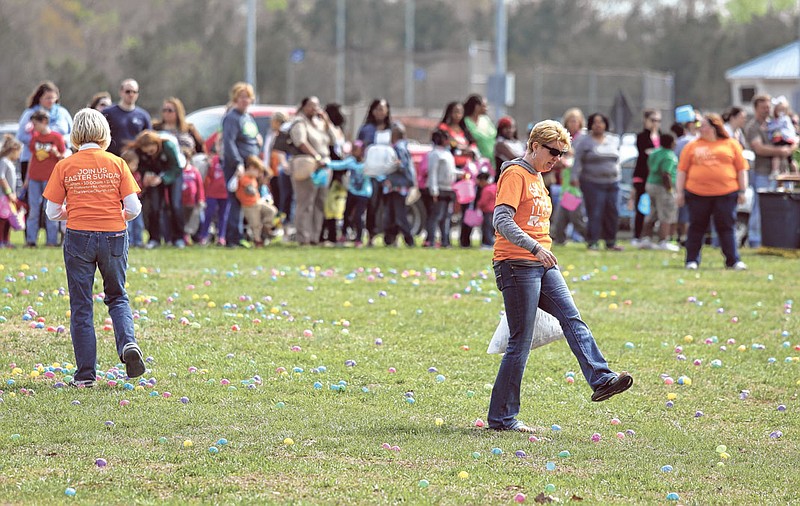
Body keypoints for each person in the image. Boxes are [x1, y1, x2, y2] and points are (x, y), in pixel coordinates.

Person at [487, 119, 633, 432]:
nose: (557, 158)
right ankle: (501, 418)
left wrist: (543, 251)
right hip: (516, 264)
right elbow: (501, 220)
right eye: (552, 151)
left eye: (562, 153)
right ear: (534, 145)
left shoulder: (539, 177)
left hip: (542, 264)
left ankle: (601, 378)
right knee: (520, 343)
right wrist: (534, 248)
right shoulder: (515, 173)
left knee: (572, 318)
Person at [42, 108, 146, 387]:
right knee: (117, 296)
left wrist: (72, 211)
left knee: (81, 305)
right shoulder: (117, 163)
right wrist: (118, 215)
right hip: (114, 234)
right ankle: (127, 345)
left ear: (75, 134)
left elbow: (52, 212)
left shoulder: (65, 165)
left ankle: (86, 375)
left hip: (79, 236)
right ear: (105, 133)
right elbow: (134, 208)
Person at [676, 113, 749, 270]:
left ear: (714, 127)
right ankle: (692, 260)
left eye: (704, 126)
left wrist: (742, 191)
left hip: (726, 193)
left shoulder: (731, 144)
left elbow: (741, 169)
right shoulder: (692, 146)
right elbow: (682, 171)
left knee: (726, 227)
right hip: (697, 193)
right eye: (699, 126)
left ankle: (733, 260)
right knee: (697, 227)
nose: (700, 129)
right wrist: (679, 192)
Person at [744, 95, 794, 248]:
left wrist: (788, 149)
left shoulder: (775, 123)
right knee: (759, 207)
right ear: (756, 108)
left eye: (768, 107)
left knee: (785, 206)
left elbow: (792, 139)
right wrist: (781, 150)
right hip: (763, 172)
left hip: (783, 171)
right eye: (763, 108)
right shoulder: (753, 127)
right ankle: (755, 240)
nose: (767, 111)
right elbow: (759, 148)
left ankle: (781, 239)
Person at [571, 113, 623, 251]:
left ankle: (611, 241)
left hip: (613, 182)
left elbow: (617, 159)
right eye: (595, 122)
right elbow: (577, 160)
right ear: (590, 125)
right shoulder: (585, 141)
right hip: (592, 182)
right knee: (595, 212)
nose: (598, 125)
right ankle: (592, 241)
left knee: (613, 211)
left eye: (601, 122)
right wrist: (574, 177)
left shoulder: (613, 140)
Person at [289, 96, 336, 246]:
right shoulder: (299, 122)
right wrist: (315, 156)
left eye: (316, 106)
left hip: (324, 166)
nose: (314, 109)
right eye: (310, 105)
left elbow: (335, 140)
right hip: (308, 165)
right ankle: (303, 237)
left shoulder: (321, 123)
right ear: (303, 106)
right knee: (306, 201)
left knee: (320, 201)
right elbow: (300, 141)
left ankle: (315, 236)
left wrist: (327, 121)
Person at [129, 130, 185, 248]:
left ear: (157, 145)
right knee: (154, 207)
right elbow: (141, 166)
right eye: (146, 152)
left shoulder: (168, 146)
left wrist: (163, 178)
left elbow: (176, 167)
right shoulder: (139, 151)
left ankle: (179, 238)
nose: (149, 154)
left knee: (175, 205)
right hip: (153, 176)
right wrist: (146, 175)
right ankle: (154, 238)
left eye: (151, 151)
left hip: (173, 174)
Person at [221, 82, 261, 248]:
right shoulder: (232, 117)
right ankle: (232, 237)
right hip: (237, 165)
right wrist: (238, 163)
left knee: (246, 200)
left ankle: (240, 235)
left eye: (248, 97)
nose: (245, 100)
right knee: (235, 201)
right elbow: (229, 142)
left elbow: (253, 137)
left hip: (250, 165)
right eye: (241, 97)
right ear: (236, 99)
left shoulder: (248, 117)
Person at [25, 109, 67, 247]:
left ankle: (51, 240)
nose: (34, 127)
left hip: (50, 179)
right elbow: (32, 157)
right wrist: (27, 178)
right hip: (34, 178)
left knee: (50, 209)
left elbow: (63, 158)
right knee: (33, 210)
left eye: (36, 123)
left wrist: (57, 153)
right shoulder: (35, 138)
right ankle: (31, 240)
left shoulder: (56, 137)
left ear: (44, 122)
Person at [16, 80, 73, 182]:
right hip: (33, 161)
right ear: (39, 98)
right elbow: (21, 135)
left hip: (57, 160)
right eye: (47, 98)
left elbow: (72, 134)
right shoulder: (30, 114)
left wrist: (61, 140)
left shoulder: (63, 113)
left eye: (53, 98)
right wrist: (42, 142)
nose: (50, 101)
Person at [357, 98, 393, 246]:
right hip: (371, 172)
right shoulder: (366, 129)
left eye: (383, 109)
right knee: (372, 204)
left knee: (388, 205)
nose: (380, 112)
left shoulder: (392, 129)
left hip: (388, 172)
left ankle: (389, 236)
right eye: (377, 109)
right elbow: (359, 148)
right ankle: (371, 234)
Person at [551, 108, 587, 246]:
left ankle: (591, 237)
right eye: (570, 121)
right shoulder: (562, 138)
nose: (573, 124)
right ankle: (559, 239)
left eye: (575, 121)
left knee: (574, 216)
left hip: (574, 185)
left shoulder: (582, 138)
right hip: (565, 183)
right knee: (561, 216)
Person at [640, 133, 679, 251]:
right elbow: (666, 174)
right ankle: (663, 241)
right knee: (666, 214)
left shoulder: (655, 152)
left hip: (650, 183)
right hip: (662, 187)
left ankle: (646, 239)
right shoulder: (669, 156)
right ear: (671, 143)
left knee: (652, 213)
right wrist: (670, 189)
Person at [229, 155, 277, 247]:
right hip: (249, 205)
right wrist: (251, 189)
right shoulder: (244, 178)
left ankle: (266, 228)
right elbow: (249, 190)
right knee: (256, 224)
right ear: (251, 168)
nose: (259, 174)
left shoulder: (253, 178)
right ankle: (257, 240)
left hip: (257, 202)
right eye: (258, 171)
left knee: (271, 211)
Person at [328, 141, 370, 246]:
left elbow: (378, 173)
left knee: (358, 216)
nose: (355, 151)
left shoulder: (367, 164)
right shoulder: (350, 161)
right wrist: (327, 163)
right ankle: (343, 235)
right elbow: (339, 165)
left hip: (363, 193)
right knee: (346, 214)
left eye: (357, 149)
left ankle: (359, 239)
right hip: (352, 191)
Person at [382, 122, 416, 247]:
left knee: (399, 214)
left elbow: (403, 165)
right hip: (393, 186)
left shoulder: (399, 148)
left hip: (398, 186)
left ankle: (409, 239)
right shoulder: (399, 146)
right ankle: (390, 239)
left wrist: (394, 164)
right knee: (391, 213)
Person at [631, 109, 662, 247]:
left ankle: (649, 236)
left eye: (658, 121)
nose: (655, 123)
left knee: (655, 208)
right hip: (643, 177)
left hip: (656, 178)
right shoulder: (642, 136)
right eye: (653, 120)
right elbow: (645, 153)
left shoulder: (661, 136)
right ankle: (637, 236)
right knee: (641, 207)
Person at [425, 129, 459, 248]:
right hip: (438, 188)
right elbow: (432, 172)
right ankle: (431, 240)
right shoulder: (435, 154)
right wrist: (433, 190)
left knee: (446, 216)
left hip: (448, 188)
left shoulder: (448, 153)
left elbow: (451, 170)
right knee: (436, 216)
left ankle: (445, 241)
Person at [103, 79, 152, 156]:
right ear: (121, 92)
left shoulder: (143, 116)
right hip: (112, 158)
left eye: (134, 92)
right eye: (128, 91)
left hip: (136, 161)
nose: (131, 94)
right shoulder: (108, 113)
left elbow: (149, 140)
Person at [197, 146, 229, 246]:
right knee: (209, 214)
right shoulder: (213, 160)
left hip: (225, 193)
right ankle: (204, 236)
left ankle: (221, 237)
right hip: (212, 192)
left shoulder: (230, 160)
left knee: (223, 216)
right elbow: (208, 175)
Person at [0, 135, 23, 248]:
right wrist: (9, 192)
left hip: (9, 197)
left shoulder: (10, 162)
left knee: (8, 220)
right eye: (19, 152)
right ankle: (1, 241)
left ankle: (6, 240)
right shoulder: (4, 161)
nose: (19, 155)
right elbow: (1, 177)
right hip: (3, 197)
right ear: (14, 149)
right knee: (2, 220)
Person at [767, 96, 798, 178]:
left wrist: (767, 128)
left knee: (776, 155)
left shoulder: (784, 119)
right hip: (785, 139)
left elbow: (775, 127)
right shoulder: (779, 119)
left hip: (784, 138)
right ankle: (795, 173)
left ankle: (775, 171)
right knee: (790, 159)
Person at [462, 94, 496, 165]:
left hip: (493, 159)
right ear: (476, 107)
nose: (487, 108)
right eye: (484, 106)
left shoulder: (486, 119)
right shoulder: (466, 122)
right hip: (476, 161)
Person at [120, 150, 144, 248]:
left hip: (137, 201)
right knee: (128, 225)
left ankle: (138, 240)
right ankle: (129, 241)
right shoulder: (123, 175)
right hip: (125, 204)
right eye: (134, 164)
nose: (136, 167)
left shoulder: (137, 174)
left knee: (138, 224)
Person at [181, 147, 206, 244]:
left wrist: (200, 199)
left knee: (195, 220)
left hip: (193, 202)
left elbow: (200, 186)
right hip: (182, 201)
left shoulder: (194, 171)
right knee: (183, 220)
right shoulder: (179, 171)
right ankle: (184, 237)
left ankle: (197, 237)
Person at [475, 171, 496, 249]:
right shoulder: (495, 186)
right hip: (494, 210)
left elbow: (483, 201)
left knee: (486, 227)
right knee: (491, 227)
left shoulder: (486, 189)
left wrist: (478, 205)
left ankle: (488, 243)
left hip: (487, 210)